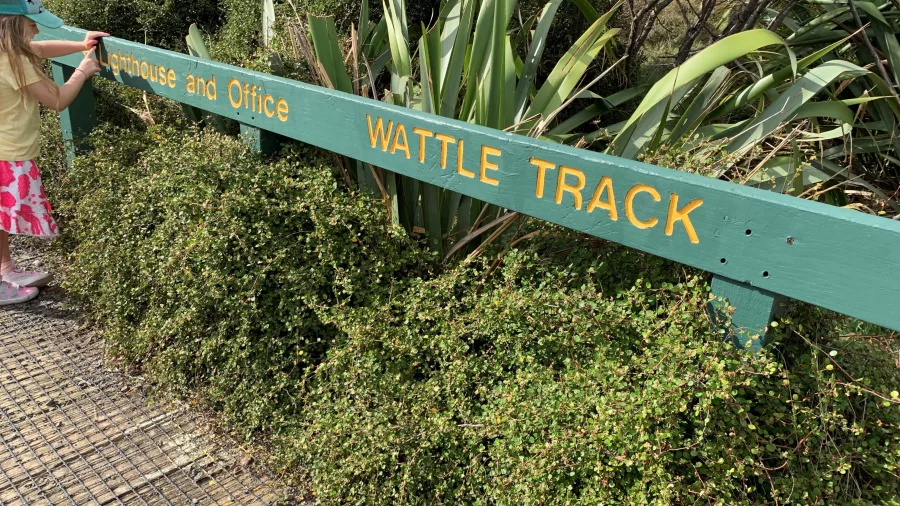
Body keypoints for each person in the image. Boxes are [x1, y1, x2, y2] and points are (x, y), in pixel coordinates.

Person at [0, 0, 107, 305]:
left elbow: (43, 48)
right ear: (12, 25)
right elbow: (57, 100)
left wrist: (80, 43)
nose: (36, 28)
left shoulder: (9, 51)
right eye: (32, 23)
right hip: (7, 155)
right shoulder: (13, 61)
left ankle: (5, 268)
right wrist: (83, 71)